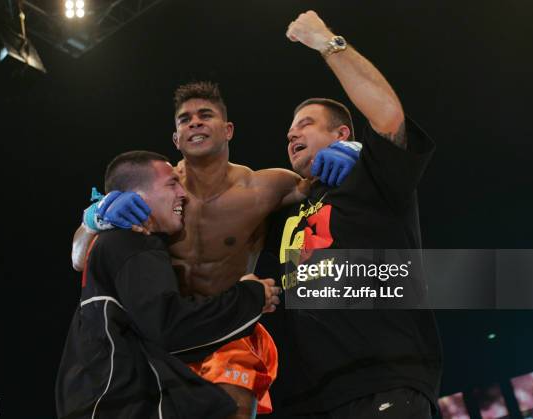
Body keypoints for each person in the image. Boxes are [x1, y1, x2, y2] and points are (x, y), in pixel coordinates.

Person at [71, 84, 361, 417]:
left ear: (228, 130)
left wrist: (353, 149)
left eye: (205, 115)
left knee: (231, 409)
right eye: (184, 119)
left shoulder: (263, 188)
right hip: (164, 336)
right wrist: (94, 217)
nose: (194, 122)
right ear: (176, 139)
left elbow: (321, 175)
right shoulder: (154, 193)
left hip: (228, 329)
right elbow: (80, 259)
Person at [260, 10, 442, 418]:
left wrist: (327, 42)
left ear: (342, 134)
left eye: (305, 124)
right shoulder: (288, 210)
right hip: (308, 399)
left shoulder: (373, 177)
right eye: (290, 129)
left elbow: (389, 117)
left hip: (384, 382)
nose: (291, 134)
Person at [55, 150, 282, 419]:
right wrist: (251, 296)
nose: (182, 192)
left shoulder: (112, 240)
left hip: (107, 391)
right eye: (172, 183)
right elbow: (169, 326)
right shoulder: (132, 241)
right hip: (123, 397)